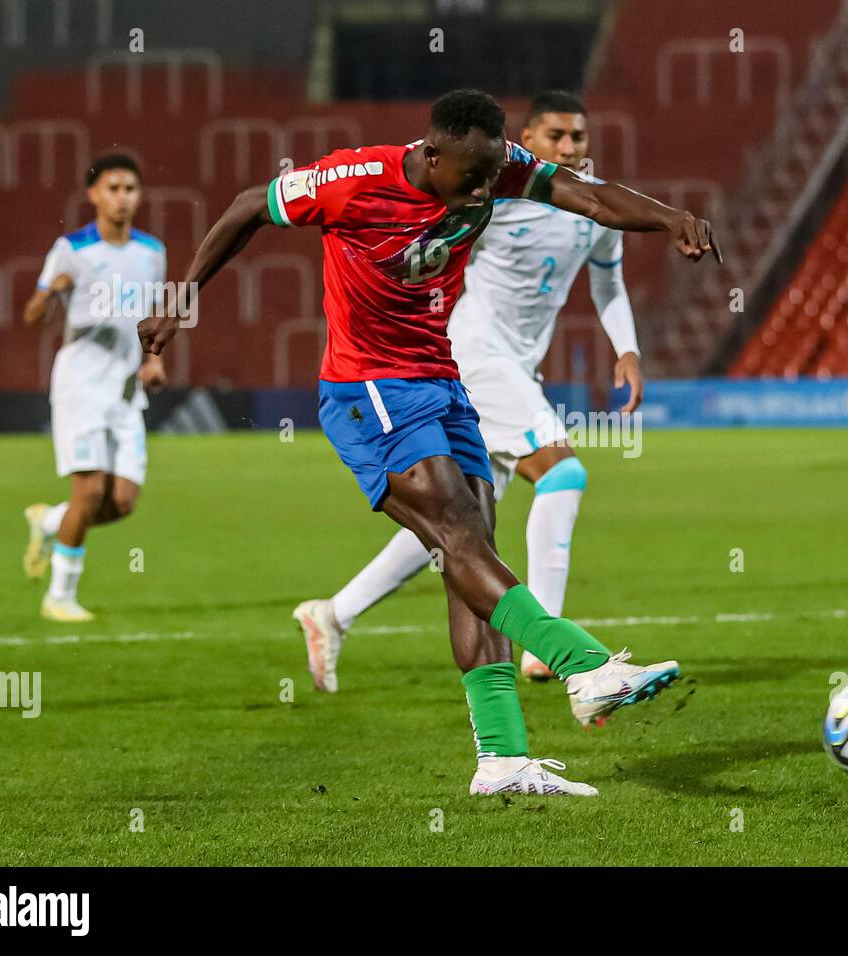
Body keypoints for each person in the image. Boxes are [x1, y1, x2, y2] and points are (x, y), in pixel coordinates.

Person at [137, 89, 721, 797]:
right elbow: (244, 207)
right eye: (469, 180)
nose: (481, 193)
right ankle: (585, 665)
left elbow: (586, 197)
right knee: (458, 535)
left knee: (469, 557)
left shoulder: (494, 164)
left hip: (441, 378)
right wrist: (182, 299)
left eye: (489, 179)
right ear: (431, 153)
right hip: (369, 387)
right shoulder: (352, 182)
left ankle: (502, 760)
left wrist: (671, 219)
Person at [292, 90, 641, 687]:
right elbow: (434, 206)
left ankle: (335, 612)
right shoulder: (496, 190)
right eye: (555, 136)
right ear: (526, 142)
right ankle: (549, 646)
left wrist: (627, 349)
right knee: (562, 473)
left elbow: (609, 285)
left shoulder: (591, 212)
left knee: (462, 527)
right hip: (472, 351)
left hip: (516, 367)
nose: (569, 147)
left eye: (578, 137)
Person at [22, 153, 167, 622]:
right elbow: (31, 316)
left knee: (121, 501)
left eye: (130, 189)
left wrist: (153, 359)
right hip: (80, 386)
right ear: (93, 195)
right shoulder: (71, 249)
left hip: (126, 392)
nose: (122, 197)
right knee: (88, 493)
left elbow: (151, 318)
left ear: (139, 196)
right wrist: (49, 292)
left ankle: (48, 520)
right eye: (112, 188)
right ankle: (59, 597)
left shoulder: (152, 252)